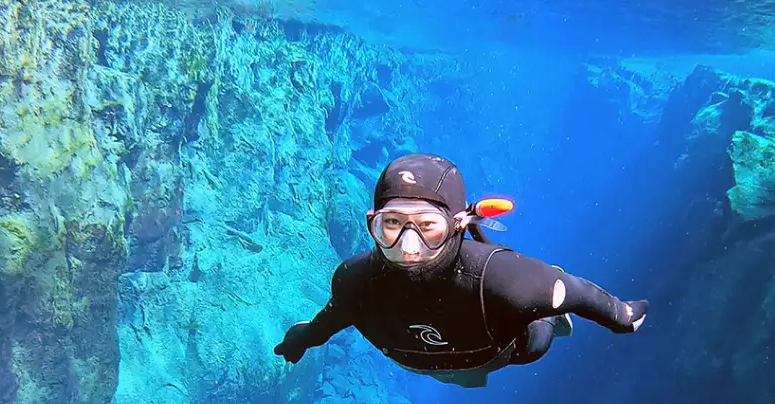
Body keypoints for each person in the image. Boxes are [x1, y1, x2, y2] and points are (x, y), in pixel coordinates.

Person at [273, 153, 648, 388]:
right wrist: (303, 339)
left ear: (455, 224)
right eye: (392, 224)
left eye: (426, 226)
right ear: (372, 223)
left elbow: (576, 291)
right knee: (462, 377)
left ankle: (548, 318)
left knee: (538, 337)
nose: (408, 246)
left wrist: (623, 316)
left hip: (503, 351)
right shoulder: (354, 281)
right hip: (437, 364)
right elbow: (333, 317)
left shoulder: (504, 280)